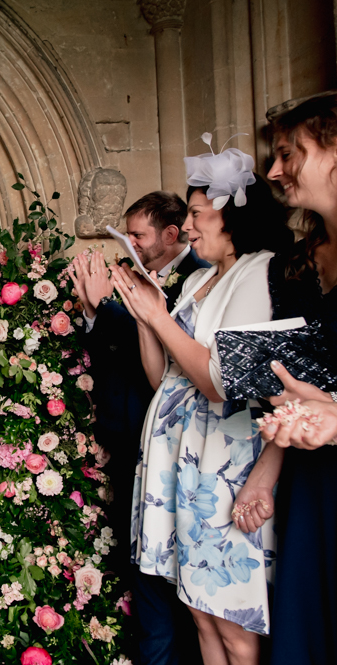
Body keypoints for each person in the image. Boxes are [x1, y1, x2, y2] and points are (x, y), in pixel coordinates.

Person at [114, 156, 292, 664]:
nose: (188, 226)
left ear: (233, 215)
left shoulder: (259, 272)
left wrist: (158, 318)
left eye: (196, 214)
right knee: (199, 613)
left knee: (232, 622)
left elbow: (218, 383)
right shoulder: (197, 282)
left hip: (224, 462)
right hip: (180, 458)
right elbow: (163, 378)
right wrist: (145, 315)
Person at [70, 192, 207, 665]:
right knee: (144, 570)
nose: (130, 243)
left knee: (176, 582)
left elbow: (163, 351)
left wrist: (109, 306)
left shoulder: (197, 278)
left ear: (170, 234)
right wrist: (94, 309)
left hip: (181, 445)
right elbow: (123, 346)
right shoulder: (142, 276)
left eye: (138, 235)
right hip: (133, 437)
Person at [233, 93, 337, 665]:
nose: (274, 171)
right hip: (312, 479)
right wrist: (265, 474)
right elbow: (304, 384)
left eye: (289, 153)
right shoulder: (298, 262)